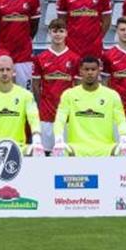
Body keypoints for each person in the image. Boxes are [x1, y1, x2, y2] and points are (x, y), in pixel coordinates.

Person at [52, 56, 126, 157]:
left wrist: (124, 139)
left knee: (124, 151)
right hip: (77, 148)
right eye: (86, 69)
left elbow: (121, 120)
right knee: (60, 151)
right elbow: (60, 119)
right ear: (80, 71)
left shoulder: (112, 95)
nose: (90, 72)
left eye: (93, 69)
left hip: (106, 148)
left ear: (99, 71)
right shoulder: (69, 94)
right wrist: (58, 139)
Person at [31, 19, 81, 152]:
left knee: (67, 152)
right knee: (45, 152)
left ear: (66, 33)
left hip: (67, 115)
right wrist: (42, 103)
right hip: (46, 115)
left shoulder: (74, 59)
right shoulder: (40, 58)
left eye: (61, 31)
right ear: (49, 33)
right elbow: (35, 86)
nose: (57, 34)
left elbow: (78, 87)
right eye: (54, 31)